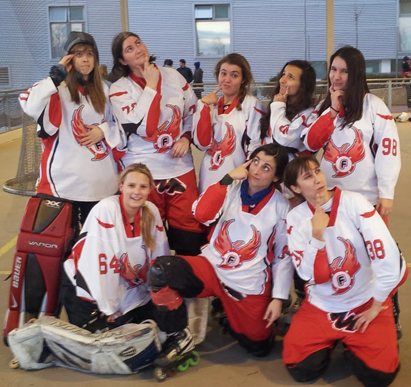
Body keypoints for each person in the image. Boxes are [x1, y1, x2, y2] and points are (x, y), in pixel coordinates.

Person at [149, 144, 294, 358]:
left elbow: (283, 256)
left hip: (248, 282)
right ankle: (176, 336)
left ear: (275, 177)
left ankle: (231, 312)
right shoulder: (231, 187)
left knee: (259, 347)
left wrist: (279, 297)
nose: (256, 170)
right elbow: (200, 214)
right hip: (212, 267)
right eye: (255, 161)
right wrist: (226, 179)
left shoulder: (281, 206)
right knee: (162, 271)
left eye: (266, 168)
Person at [282, 156, 407, 387]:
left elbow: (389, 259)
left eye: (317, 171)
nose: (318, 179)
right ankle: (341, 340)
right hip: (322, 305)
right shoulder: (296, 218)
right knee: (300, 368)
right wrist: (317, 236)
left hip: (365, 302)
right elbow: (310, 276)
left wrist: (377, 305)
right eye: (307, 176)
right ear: (295, 188)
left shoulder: (355, 203)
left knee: (380, 376)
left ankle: (356, 341)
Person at [109, 32, 205, 256]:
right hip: (141, 172)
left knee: (188, 234)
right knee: (147, 237)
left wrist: (186, 137)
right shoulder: (119, 89)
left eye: (138, 43)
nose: (138, 49)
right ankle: (150, 287)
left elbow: (192, 113)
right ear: (122, 61)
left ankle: (184, 287)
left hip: (180, 169)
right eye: (129, 49)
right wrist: (151, 86)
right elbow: (145, 128)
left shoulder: (174, 76)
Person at [19, 31, 125, 225]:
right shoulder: (57, 88)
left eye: (90, 54)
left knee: (94, 241)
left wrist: (103, 130)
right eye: (79, 54)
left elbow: (122, 124)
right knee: (62, 244)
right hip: (64, 181)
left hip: (99, 180)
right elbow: (30, 104)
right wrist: (55, 76)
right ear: (69, 58)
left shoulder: (105, 89)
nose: (85, 59)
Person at [62, 163, 173, 333]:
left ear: (150, 189)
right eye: (131, 185)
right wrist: (108, 307)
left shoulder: (151, 211)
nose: (137, 192)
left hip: (126, 285)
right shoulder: (106, 209)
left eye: (143, 187)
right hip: (87, 283)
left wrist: (156, 290)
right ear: (121, 186)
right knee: (103, 338)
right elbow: (101, 265)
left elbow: (160, 254)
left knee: (155, 326)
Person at [302, 46, 401, 221]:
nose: (336, 76)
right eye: (333, 69)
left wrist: (386, 193)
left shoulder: (374, 106)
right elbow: (311, 144)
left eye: (344, 71)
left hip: (366, 199)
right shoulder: (322, 107)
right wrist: (332, 109)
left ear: (355, 74)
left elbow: (388, 154)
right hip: (328, 197)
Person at [193, 53, 265, 193]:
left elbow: (256, 147)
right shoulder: (209, 105)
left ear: (243, 79)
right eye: (223, 74)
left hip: (238, 180)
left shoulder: (252, 105)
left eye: (234, 75)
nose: (227, 80)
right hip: (209, 176)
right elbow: (202, 144)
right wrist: (203, 108)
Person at [261, 60, 316, 154]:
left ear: (303, 85)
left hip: (294, 168)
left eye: (291, 77)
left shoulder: (310, 113)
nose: (282, 80)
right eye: (283, 74)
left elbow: (285, 139)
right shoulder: (278, 105)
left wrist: (278, 106)